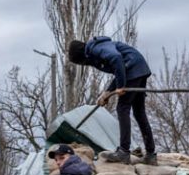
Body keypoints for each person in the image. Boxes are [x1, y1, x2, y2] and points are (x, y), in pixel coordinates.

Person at [67, 36, 157, 165]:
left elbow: (116, 59)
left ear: (82, 56)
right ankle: (150, 155)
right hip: (138, 68)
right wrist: (107, 93)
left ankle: (124, 152)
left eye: (81, 63)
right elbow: (119, 69)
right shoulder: (97, 50)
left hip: (133, 69)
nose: (84, 65)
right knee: (139, 113)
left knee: (122, 108)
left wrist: (120, 86)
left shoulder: (96, 48)